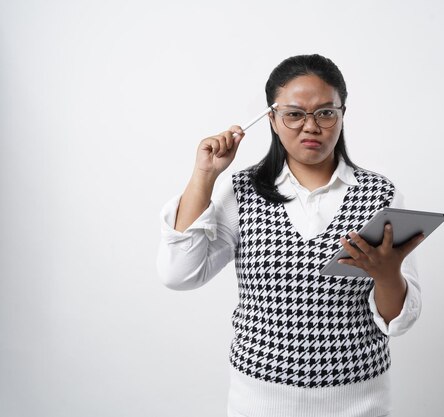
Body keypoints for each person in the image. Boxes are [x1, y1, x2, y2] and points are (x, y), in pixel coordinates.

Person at [157, 54, 425, 417]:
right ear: (272, 118)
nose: (310, 126)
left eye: (325, 112)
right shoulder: (243, 191)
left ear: (342, 114)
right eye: (294, 114)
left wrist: (387, 273)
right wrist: (205, 175)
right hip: (258, 402)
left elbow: (398, 322)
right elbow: (179, 274)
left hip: (359, 402)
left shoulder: (380, 195)